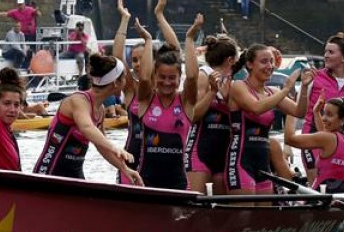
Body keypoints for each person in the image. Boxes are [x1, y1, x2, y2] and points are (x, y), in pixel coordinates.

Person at [33, 54, 142, 185]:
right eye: (124, 77)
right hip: (49, 173)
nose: (126, 82)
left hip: (75, 176)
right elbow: (86, 127)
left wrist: (124, 169)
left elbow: (102, 146)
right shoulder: (78, 100)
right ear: (116, 82)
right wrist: (114, 147)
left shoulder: (100, 110)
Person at [125, 15, 204, 190]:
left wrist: (190, 38)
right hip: (146, 181)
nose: (167, 82)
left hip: (178, 183)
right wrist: (148, 40)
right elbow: (144, 78)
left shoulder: (186, 102)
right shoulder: (147, 99)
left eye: (172, 78)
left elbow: (192, 76)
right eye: (162, 77)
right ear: (155, 76)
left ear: (179, 78)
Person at [226, 45, 311, 196]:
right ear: (250, 64)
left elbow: (299, 112)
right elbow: (256, 107)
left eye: (271, 62)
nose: (269, 66)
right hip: (241, 160)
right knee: (245, 216)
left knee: (263, 217)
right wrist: (286, 90)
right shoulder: (239, 86)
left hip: (263, 162)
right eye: (264, 61)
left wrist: (304, 87)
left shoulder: (273, 93)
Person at [301, 32, 344, 182]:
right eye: (325, 52)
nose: (325, 55)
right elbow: (300, 109)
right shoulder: (315, 77)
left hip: (342, 144)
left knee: (337, 187)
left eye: (331, 52)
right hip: (313, 139)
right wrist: (304, 88)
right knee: (317, 186)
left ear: (343, 58)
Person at [186, 31, 240, 195]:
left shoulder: (233, 83)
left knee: (222, 211)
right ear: (230, 60)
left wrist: (226, 97)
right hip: (200, 150)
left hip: (224, 153)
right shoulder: (204, 76)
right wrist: (212, 93)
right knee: (193, 207)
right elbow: (193, 115)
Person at [285, 97, 344, 194]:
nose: (323, 118)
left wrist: (291, 112)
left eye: (329, 115)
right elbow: (327, 139)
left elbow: (289, 139)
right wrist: (316, 112)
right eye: (323, 113)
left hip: (321, 201)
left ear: (343, 120)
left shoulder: (329, 139)